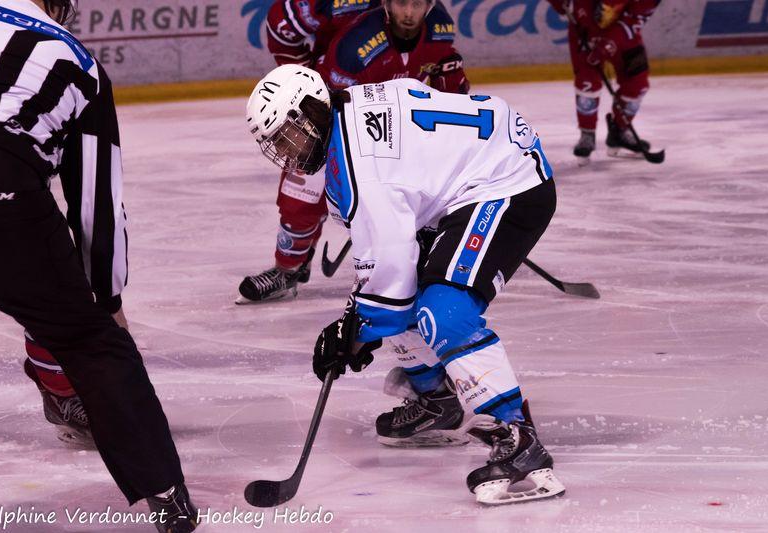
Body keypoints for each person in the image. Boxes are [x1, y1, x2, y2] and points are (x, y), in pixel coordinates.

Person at [245, 65, 565, 503]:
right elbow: (386, 272)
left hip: (507, 180)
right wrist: (357, 325)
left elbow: (389, 276)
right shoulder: (344, 113)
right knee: (390, 303)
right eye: (277, 144)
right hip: (470, 179)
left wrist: (353, 335)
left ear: (310, 114)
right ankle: (439, 401)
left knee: (442, 312)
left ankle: (519, 438)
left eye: (288, 136)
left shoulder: (358, 168)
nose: (287, 153)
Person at [0, 1, 196, 530]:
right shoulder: (78, 61)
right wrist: (105, 300)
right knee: (89, 341)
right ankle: (165, 495)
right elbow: (94, 200)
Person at [237, 0, 469, 303]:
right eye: (401, 3)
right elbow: (324, 104)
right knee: (302, 192)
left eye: (417, 4)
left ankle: (423, 265)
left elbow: (446, 80)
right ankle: (287, 270)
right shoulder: (354, 47)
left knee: (420, 197)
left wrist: (450, 90)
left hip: (399, 132)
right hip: (343, 123)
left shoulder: (439, 29)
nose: (409, 13)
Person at [548, 0, 659, 164]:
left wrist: (608, 44)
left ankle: (620, 131)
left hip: (625, 36)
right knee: (587, 84)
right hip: (586, 31)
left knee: (637, 85)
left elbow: (636, 18)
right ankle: (587, 134)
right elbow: (563, 7)